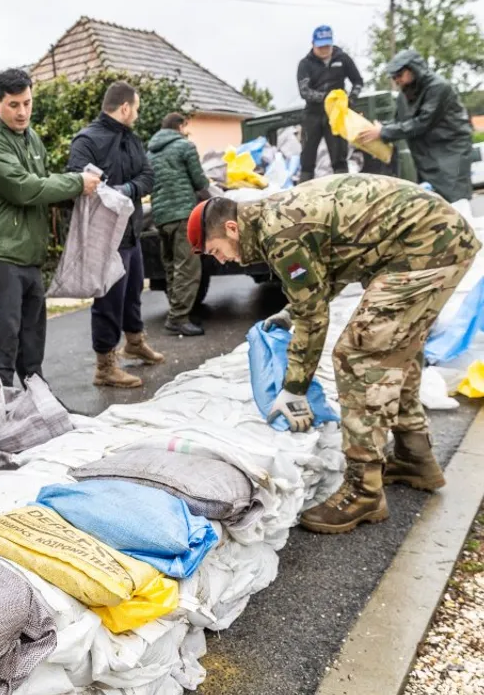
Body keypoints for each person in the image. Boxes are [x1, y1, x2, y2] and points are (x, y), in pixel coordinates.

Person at [186, 175, 480, 534]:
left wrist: (294, 389)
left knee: (358, 355)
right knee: (397, 348)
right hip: (428, 241)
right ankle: (414, 456)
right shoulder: (271, 220)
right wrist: (289, 313)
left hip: (426, 249)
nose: (223, 261)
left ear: (231, 228)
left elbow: (315, 317)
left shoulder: (279, 233)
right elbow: (329, 268)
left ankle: (364, 490)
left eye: (216, 250)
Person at [0, 68, 100, 387]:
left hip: (28, 255)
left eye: (27, 103)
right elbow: (25, 189)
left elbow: (45, 187)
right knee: (3, 350)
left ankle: (39, 409)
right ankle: (0, 419)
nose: (22, 112)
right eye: (14, 105)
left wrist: (87, 194)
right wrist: (77, 183)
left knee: (32, 346)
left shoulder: (32, 138)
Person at [66, 81, 166, 389]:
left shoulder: (131, 139)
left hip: (131, 231)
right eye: (135, 108)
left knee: (133, 290)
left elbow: (148, 176)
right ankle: (105, 366)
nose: (136, 114)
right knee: (108, 299)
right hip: (105, 235)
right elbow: (77, 180)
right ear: (125, 108)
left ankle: (134, 342)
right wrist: (109, 191)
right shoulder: (86, 140)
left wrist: (129, 189)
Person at [357, 49, 474, 205]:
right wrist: (373, 129)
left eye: (399, 75)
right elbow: (399, 122)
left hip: (450, 152)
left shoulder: (438, 88)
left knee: (456, 201)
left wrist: (383, 132)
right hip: (426, 156)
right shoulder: (404, 96)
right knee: (433, 204)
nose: (396, 80)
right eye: (393, 77)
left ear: (413, 69)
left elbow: (423, 122)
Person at [148, 112, 211, 337]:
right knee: (189, 267)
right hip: (183, 214)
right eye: (186, 126)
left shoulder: (150, 152)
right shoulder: (184, 147)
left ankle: (178, 310)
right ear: (180, 126)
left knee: (172, 266)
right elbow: (199, 181)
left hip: (161, 217)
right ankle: (178, 318)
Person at [296, 25, 364, 182]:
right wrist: (326, 98)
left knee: (339, 156)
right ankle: (305, 189)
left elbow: (358, 81)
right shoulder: (305, 64)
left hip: (336, 114)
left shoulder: (343, 59)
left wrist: (351, 99)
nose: (324, 50)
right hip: (313, 114)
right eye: (321, 46)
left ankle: (343, 189)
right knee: (307, 157)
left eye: (327, 46)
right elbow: (304, 91)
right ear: (313, 44)